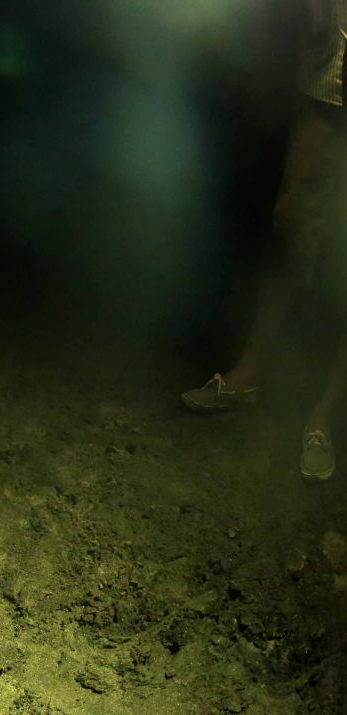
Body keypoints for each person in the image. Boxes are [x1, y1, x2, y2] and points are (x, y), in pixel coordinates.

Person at [180, 0, 346, 480]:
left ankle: (324, 419)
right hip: (323, 94)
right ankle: (248, 377)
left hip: (323, 90)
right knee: (289, 231)